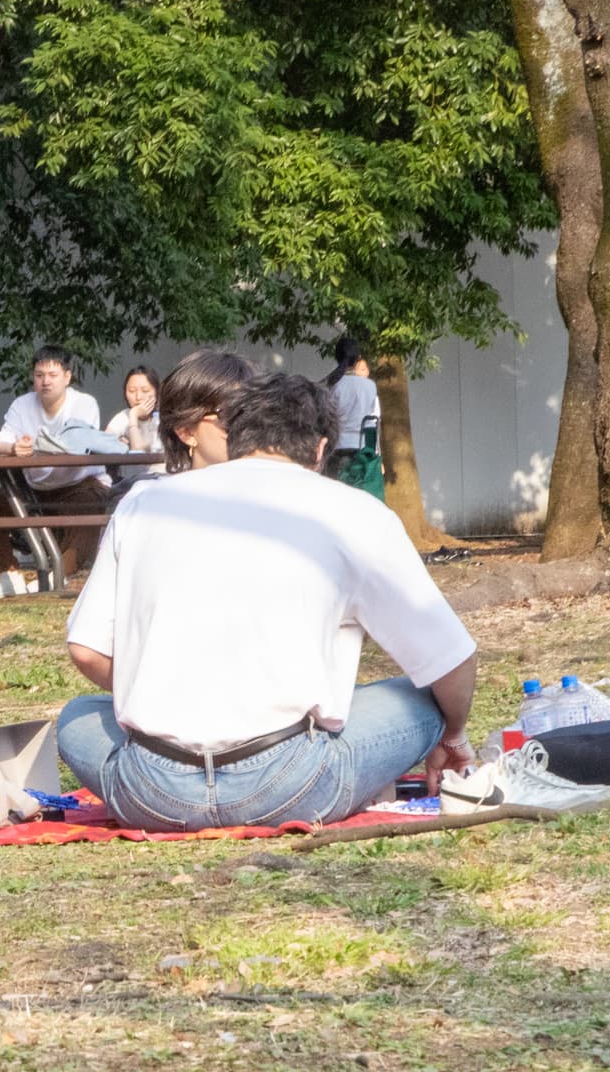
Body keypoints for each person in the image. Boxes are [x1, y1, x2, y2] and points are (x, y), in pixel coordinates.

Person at [54, 372, 477, 830]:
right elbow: (450, 660)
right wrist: (452, 733)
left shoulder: (143, 501)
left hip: (152, 790)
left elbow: (87, 648)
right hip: (289, 784)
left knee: (78, 716)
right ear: (319, 449)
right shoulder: (353, 511)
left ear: (235, 437)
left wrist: (159, 692)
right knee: (423, 699)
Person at [0, 345, 110, 599]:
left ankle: (60, 573)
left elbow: (80, 444)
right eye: (39, 375)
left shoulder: (84, 404)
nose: (45, 382)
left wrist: (44, 450)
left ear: (67, 376)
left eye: (52, 375)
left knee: (88, 506)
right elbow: (2, 440)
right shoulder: (22, 404)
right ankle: (9, 576)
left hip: (81, 484)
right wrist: (14, 447)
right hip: (36, 490)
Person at [157, 349, 261, 474]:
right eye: (231, 414)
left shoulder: (281, 489)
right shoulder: (157, 492)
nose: (246, 426)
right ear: (186, 431)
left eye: (255, 411)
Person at [324, 337, 381, 476]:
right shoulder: (370, 386)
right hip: (362, 448)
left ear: (337, 357)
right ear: (357, 358)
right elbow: (373, 421)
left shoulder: (334, 384)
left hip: (337, 447)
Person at [103, 366, 165, 473]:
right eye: (132, 391)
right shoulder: (123, 417)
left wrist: (130, 444)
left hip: (162, 478)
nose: (138, 397)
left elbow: (137, 449)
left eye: (145, 391)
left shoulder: (165, 418)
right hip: (132, 481)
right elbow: (103, 444)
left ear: (157, 392)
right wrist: (133, 416)